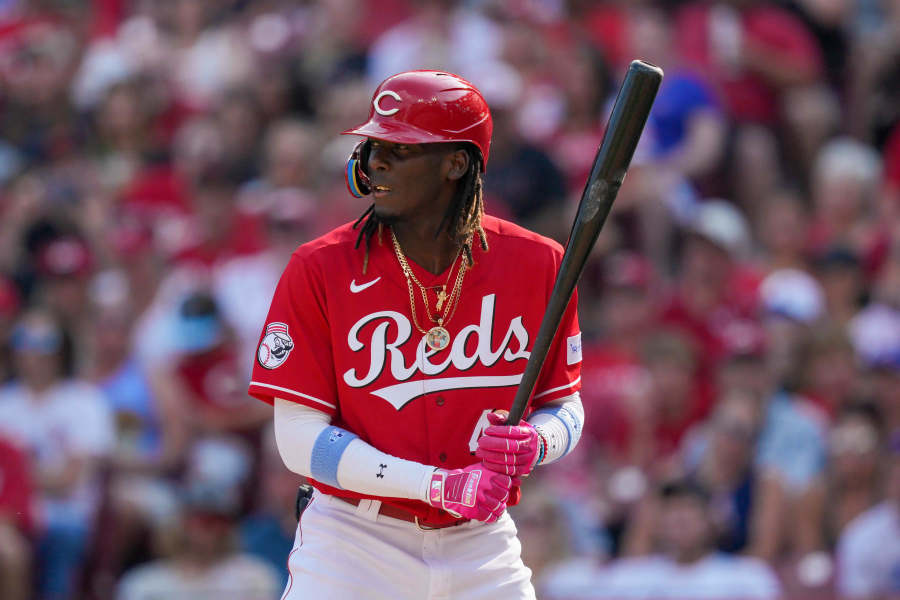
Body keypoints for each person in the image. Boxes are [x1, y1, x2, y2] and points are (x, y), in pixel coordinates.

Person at [247, 70, 584, 599]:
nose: (374, 161)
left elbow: (565, 406)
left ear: (456, 163)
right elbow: (297, 440)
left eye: (400, 148)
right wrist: (436, 485)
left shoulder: (538, 263)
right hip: (352, 541)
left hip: (481, 543)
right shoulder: (320, 267)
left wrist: (537, 441)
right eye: (373, 145)